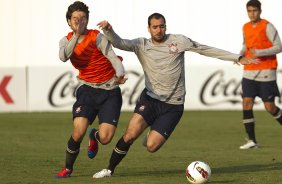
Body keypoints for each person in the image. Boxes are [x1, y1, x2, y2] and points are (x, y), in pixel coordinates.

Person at [93, 13, 259, 178]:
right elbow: (120, 43)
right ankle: (109, 169)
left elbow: (205, 49)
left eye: (162, 26)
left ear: (166, 26)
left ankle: (151, 134)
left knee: (151, 146)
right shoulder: (141, 44)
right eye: (155, 27)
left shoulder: (179, 41)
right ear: (149, 28)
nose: (159, 30)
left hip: (173, 106)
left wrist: (237, 57)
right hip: (150, 99)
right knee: (130, 135)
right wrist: (109, 30)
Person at [55, 1, 127, 178]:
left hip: (110, 90)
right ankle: (68, 169)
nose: (79, 22)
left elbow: (113, 57)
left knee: (106, 138)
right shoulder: (65, 40)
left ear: (87, 20)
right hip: (87, 89)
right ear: (69, 21)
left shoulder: (97, 37)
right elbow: (64, 56)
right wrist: (76, 36)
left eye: (83, 18)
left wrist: (120, 73)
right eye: (75, 19)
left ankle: (94, 135)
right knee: (78, 131)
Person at [238, 0, 282, 149]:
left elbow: (279, 46)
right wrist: (240, 56)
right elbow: (246, 44)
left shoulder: (267, 26)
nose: (252, 13)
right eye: (249, 11)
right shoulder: (245, 26)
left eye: (254, 10)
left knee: (270, 107)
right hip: (249, 71)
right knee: (246, 103)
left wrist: (261, 52)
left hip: (266, 72)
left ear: (260, 11)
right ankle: (252, 141)